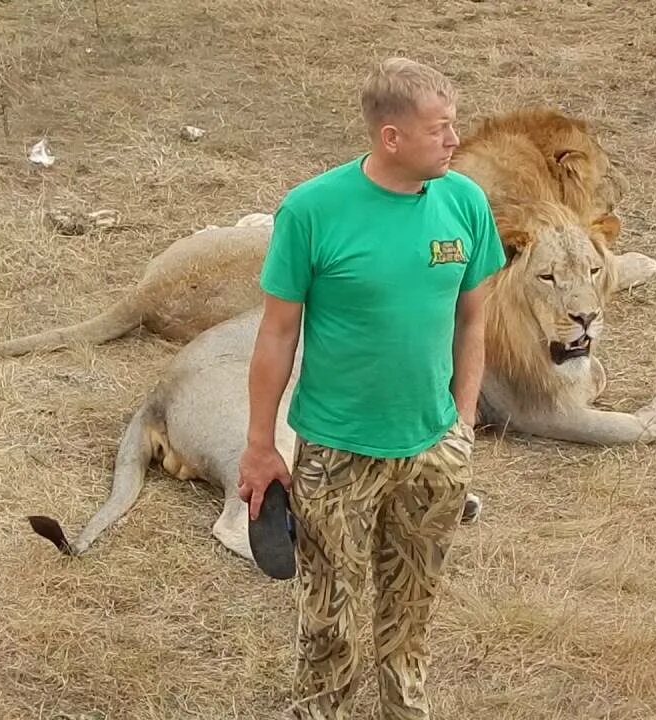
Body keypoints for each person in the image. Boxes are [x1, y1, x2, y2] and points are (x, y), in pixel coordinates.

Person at [237, 57, 508, 719]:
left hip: (432, 449)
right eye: (440, 128)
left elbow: (474, 320)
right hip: (338, 450)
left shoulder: (464, 203)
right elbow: (276, 336)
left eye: (454, 125)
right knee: (329, 613)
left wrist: (462, 422)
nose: (454, 139)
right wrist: (259, 446)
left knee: (411, 607)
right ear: (392, 137)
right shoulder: (311, 212)